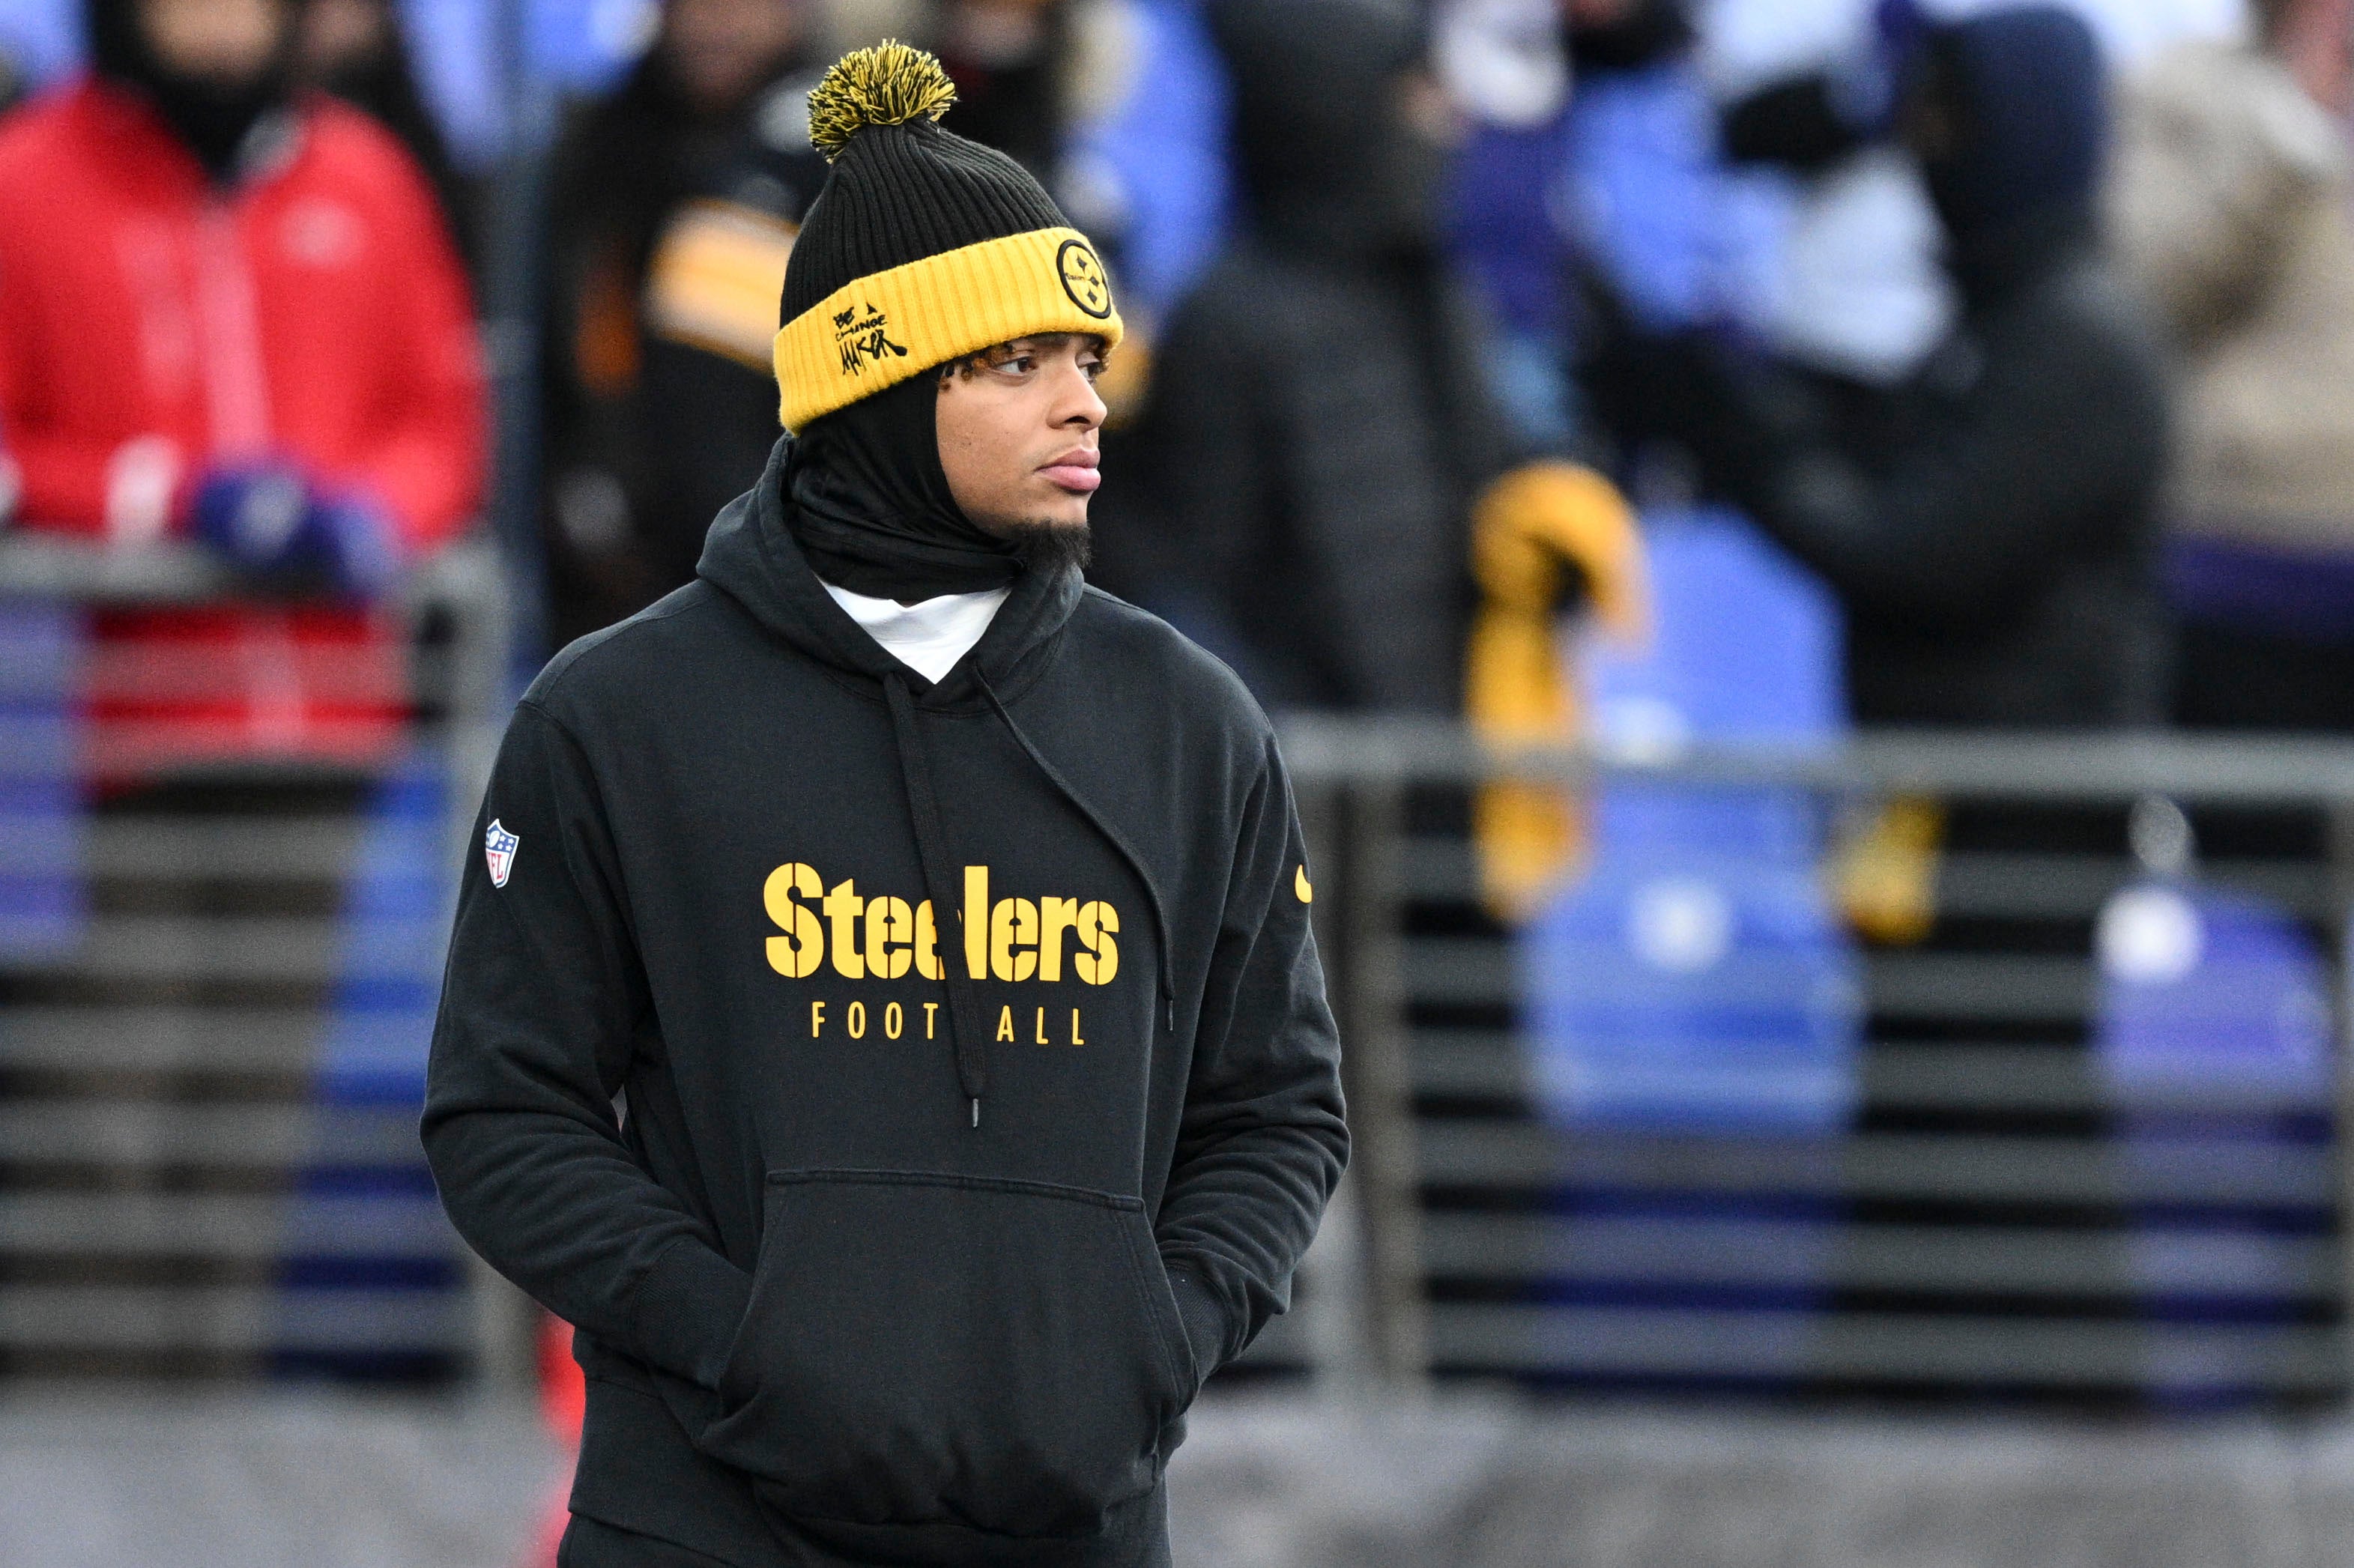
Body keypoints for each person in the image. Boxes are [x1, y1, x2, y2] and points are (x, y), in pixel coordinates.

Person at [423, 43, 1347, 1567]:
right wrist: (743, 1339)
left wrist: (1147, 1341)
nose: (1082, 407)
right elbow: (502, 1116)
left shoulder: (1190, 724)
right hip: (703, 1523)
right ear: (876, 382)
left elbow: (1274, 1111)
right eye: (1015, 361)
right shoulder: (616, 717)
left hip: (1072, 1526)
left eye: (1089, 359)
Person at [1599, 4, 2171, 728]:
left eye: (1947, 128)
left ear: (2018, 130)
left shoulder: (2074, 343)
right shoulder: (1996, 314)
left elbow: (1913, 557)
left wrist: (1748, 443)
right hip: (1953, 783)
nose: (1922, 157)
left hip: (2030, 804)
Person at [0, 0, 484, 777]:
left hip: (337, 712)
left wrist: (373, 513)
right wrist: (168, 499)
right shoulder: (28, 179)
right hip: (133, 724)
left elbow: (441, 419)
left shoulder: (366, 174)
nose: (222, 26)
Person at [539, 0, 827, 647]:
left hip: (797, 539)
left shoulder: (851, 151)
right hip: (628, 558)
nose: (716, 23)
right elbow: (569, 349)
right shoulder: (600, 153)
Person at [2111, 0, 2354, 730]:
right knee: (2256, 833)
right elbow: (2142, 296)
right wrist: (2289, 144)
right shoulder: (2184, 89)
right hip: (2244, 556)